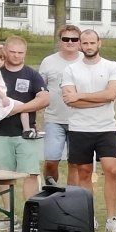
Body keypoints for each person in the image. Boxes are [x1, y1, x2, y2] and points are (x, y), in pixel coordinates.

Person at [62, 29, 116, 232]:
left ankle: (112, 218)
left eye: (92, 43)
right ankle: (88, 217)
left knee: (111, 170)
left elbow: (111, 94)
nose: (88, 46)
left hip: (106, 128)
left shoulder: (112, 66)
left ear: (99, 43)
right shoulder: (70, 69)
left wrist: (80, 96)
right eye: (85, 43)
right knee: (84, 172)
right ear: (80, 45)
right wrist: (99, 99)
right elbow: (70, 101)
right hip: (79, 128)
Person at [0, 35, 49, 202]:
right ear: (5, 51)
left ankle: (30, 213)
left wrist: (17, 109)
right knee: (4, 176)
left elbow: (44, 99)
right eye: (12, 52)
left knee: (31, 174)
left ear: (25, 52)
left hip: (25, 134)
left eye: (20, 52)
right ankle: (8, 214)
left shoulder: (32, 74)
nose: (16, 55)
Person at [37, 23, 84, 187]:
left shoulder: (86, 61)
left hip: (80, 120)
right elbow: (39, 89)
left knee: (75, 163)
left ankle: (72, 198)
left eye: (74, 39)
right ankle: (51, 191)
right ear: (60, 41)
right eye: (66, 39)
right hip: (54, 119)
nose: (70, 42)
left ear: (79, 42)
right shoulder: (48, 61)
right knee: (51, 161)